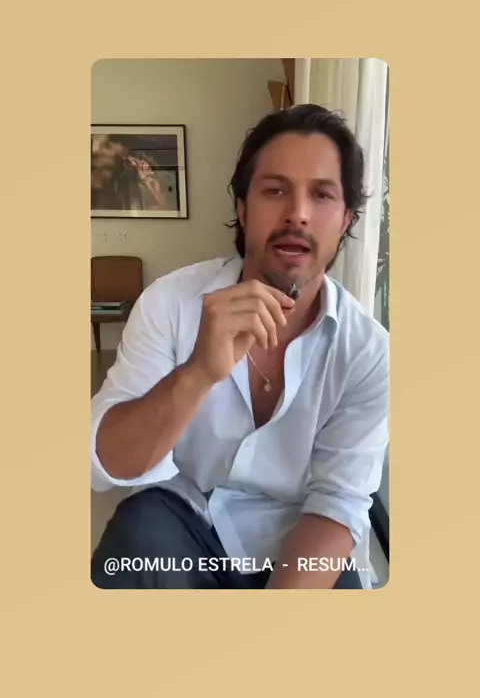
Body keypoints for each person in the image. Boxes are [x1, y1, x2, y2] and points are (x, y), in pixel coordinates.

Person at [90, 104, 389, 590]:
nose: (298, 214)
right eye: (275, 190)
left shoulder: (369, 352)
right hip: (182, 521)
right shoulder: (169, 304)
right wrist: (197, 373)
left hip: (299, 532)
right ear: (242, 209)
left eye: (322, 194)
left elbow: (338, 503)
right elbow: (108, 466)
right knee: (133, 544)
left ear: (346, 220)